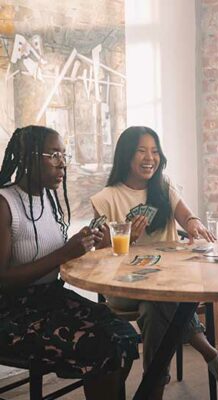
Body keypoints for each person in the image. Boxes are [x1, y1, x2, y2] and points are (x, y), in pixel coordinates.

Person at [91, 126, 218, 399]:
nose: (150, 157)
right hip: (124, 286)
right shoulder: (106, 199)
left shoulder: (163, 186)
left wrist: (194, 223)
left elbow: (187, 216)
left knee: (155, 307)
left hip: (168, 281)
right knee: (160, 300)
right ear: (126, 155)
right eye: (141, 151)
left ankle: (153, 387)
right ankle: (211, 355)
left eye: (154, 151)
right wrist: (128, 238)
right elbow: (100, 253)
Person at [0, 126, 139, 400]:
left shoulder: (49, 199)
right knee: (100, 345)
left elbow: (58, 257)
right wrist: (65, 252)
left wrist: (90, 244)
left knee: (124, 334)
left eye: (65, 155)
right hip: (12, 311)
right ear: (29, 156)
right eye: (53, 155)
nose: (63, 163)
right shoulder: (5, 204)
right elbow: (2, 280)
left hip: (50, 299)